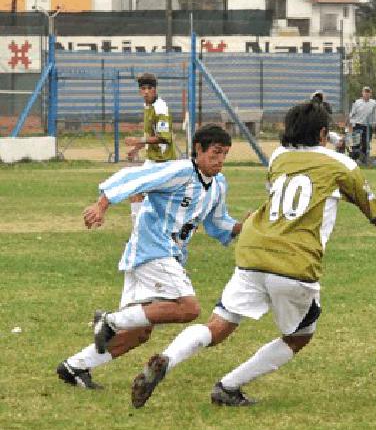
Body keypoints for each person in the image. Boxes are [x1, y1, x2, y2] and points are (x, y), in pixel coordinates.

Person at [128, 101, 376, 408]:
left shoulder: (278, 157)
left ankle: (169, 357)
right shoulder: (341, 165)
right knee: (300, 335)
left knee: (218, 325)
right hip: (293, 262)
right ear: (322, 133)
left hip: (252, 252)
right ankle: (228, 386)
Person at [56, 124, 247, 390]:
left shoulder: (217, 185)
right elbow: (137, 177)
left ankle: (75, 366)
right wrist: (101, 206)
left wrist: (245, 226)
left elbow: (218, 223)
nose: (221, 160)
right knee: (189, 308)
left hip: (160, 255)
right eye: (215, 153)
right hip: (154, 249)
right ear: (199, 150)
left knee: (138, 333)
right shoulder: (180, 171)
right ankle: (109, 320)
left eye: (225, 154)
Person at [124, 73, 177, 225]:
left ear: (155, 89)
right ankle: (139, 231)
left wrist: (137, 140)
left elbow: (163, 137)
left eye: (149, 88)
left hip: (163, 162)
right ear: (139, 91)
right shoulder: (148, 106)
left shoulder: (160, 109)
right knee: (136, 191)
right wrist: (136, 149)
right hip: (153, 161)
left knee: (139, 191)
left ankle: (140, 232)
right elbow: (150, 135)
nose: (146, 91)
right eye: (143, 88)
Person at [346, 86, 376, 163]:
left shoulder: (373, 102)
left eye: (368, 92)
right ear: (362, 93)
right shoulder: (357, 102)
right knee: (356, 142)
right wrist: (349, 122)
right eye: (365, 92)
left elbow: (375, 114)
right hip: (358, 124)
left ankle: (363, 159)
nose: (366, 94)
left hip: (368, 125)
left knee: (366, 143)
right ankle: (353, 159)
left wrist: (374, 122)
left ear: (370, 94)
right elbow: (352, 113)